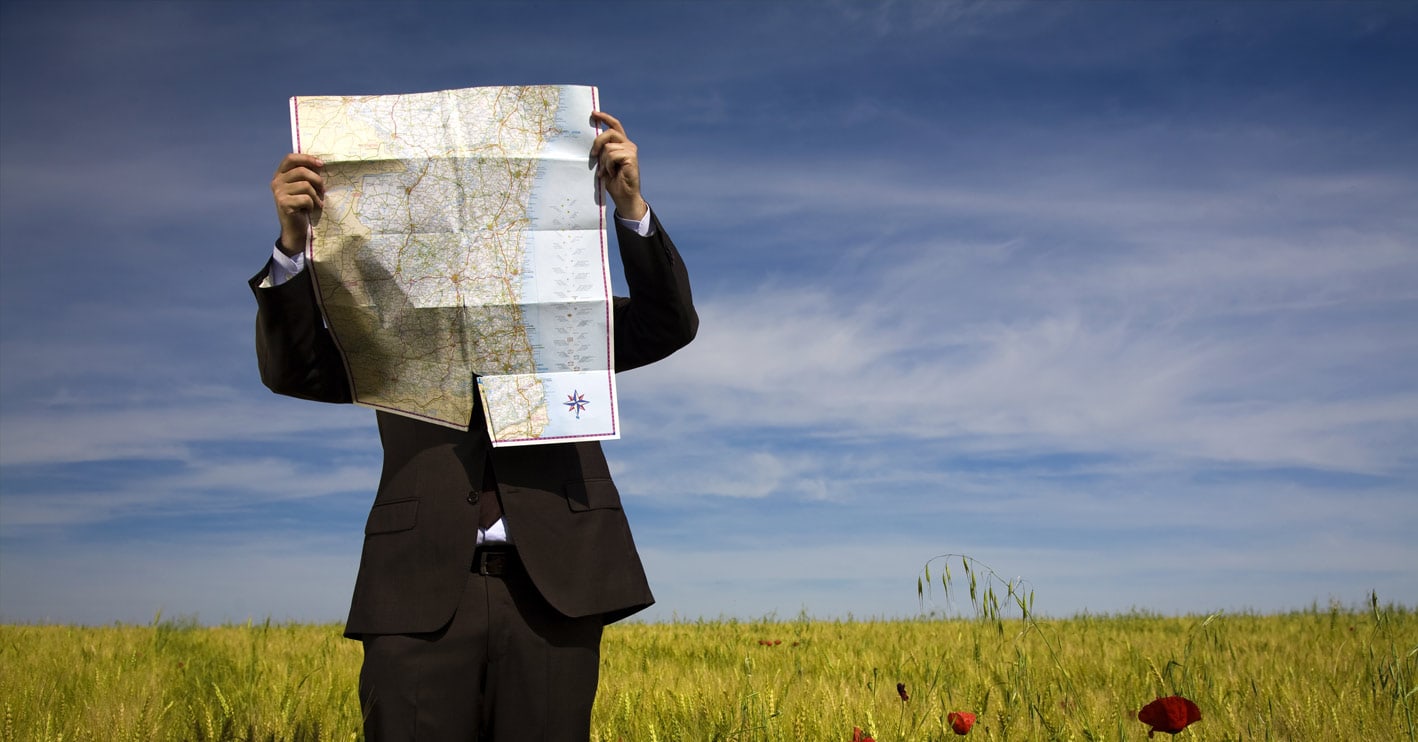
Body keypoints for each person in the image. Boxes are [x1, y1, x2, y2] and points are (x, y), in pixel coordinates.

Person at [250, 111, 697, 740]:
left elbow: (668, 324)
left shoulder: (566, 317)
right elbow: (294, 369)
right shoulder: (389, 324)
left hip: (554, 591)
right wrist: (293, 245)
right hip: (416, 591)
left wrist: (630, 206)